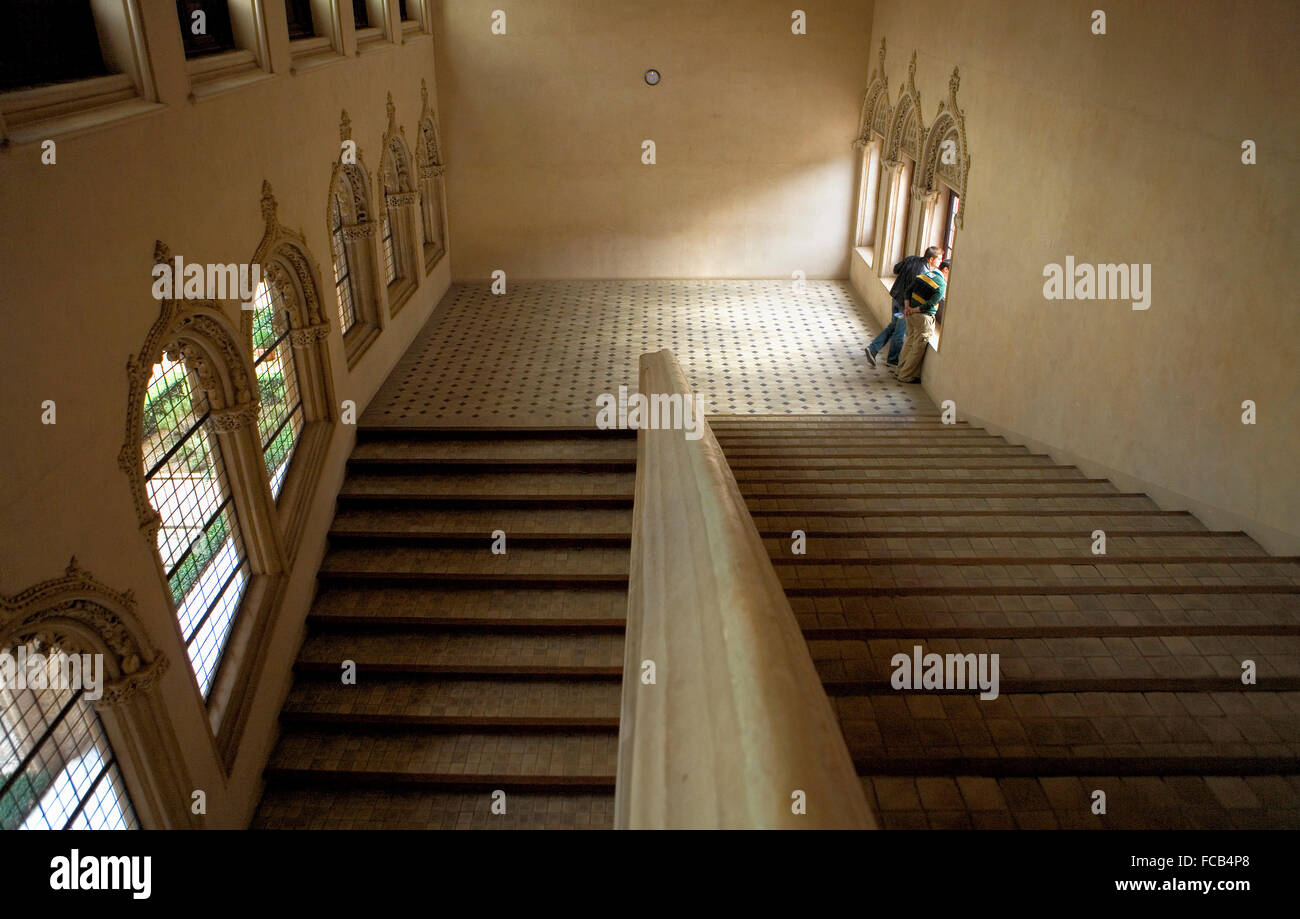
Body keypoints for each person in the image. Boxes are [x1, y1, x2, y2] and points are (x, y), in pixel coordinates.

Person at [865, 246, 943, 367]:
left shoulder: (911, 259)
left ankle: (873, 348)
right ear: (932, 259)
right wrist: (910, 308)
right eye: (939, 259)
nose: (940, 262)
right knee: (899, 332)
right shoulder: (925, 273)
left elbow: (896, 269)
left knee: (893, 325)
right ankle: (893, 359)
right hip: (905, 305)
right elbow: (916, 292)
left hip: (896, 298)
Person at [892, 254, 947, 384]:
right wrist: (914, 310)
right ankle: (905, 376)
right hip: (923, 317)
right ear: (946, 270)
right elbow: (931, 304)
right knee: (918, 347)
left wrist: (908, 307)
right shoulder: (941, 284)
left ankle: (899, 370)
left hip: (910, 313)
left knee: (909, 340)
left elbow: (907, 291)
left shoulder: (924, 275)